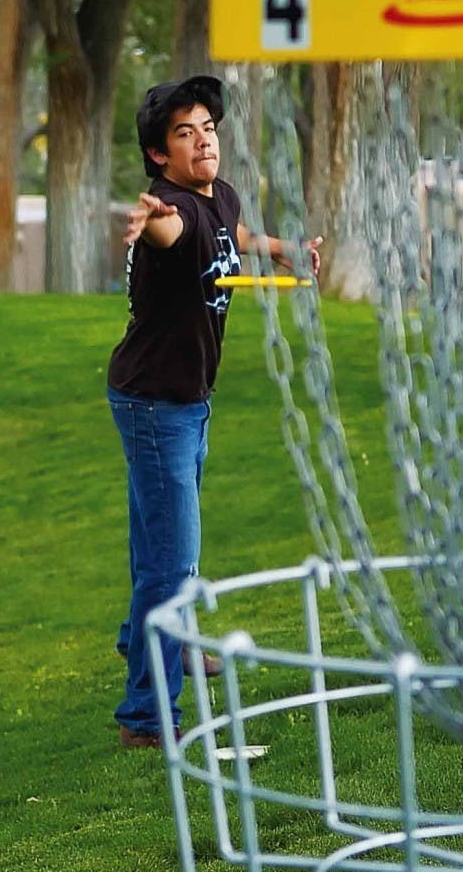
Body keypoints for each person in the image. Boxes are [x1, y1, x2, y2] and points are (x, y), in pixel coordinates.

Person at [108, 75, 321, 749]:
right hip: (155, 403)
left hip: (184, 400)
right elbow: (170, 229)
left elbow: (235, 229)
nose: (202, 140)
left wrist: (283, 248)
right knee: (173, 563)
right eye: (183, 132)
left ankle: (149, 640)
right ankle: (146, 718)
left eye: (208, 128)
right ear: (158, 156)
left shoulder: (218, 197)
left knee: (161, 551)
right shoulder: (171, 208)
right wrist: (147, 222)